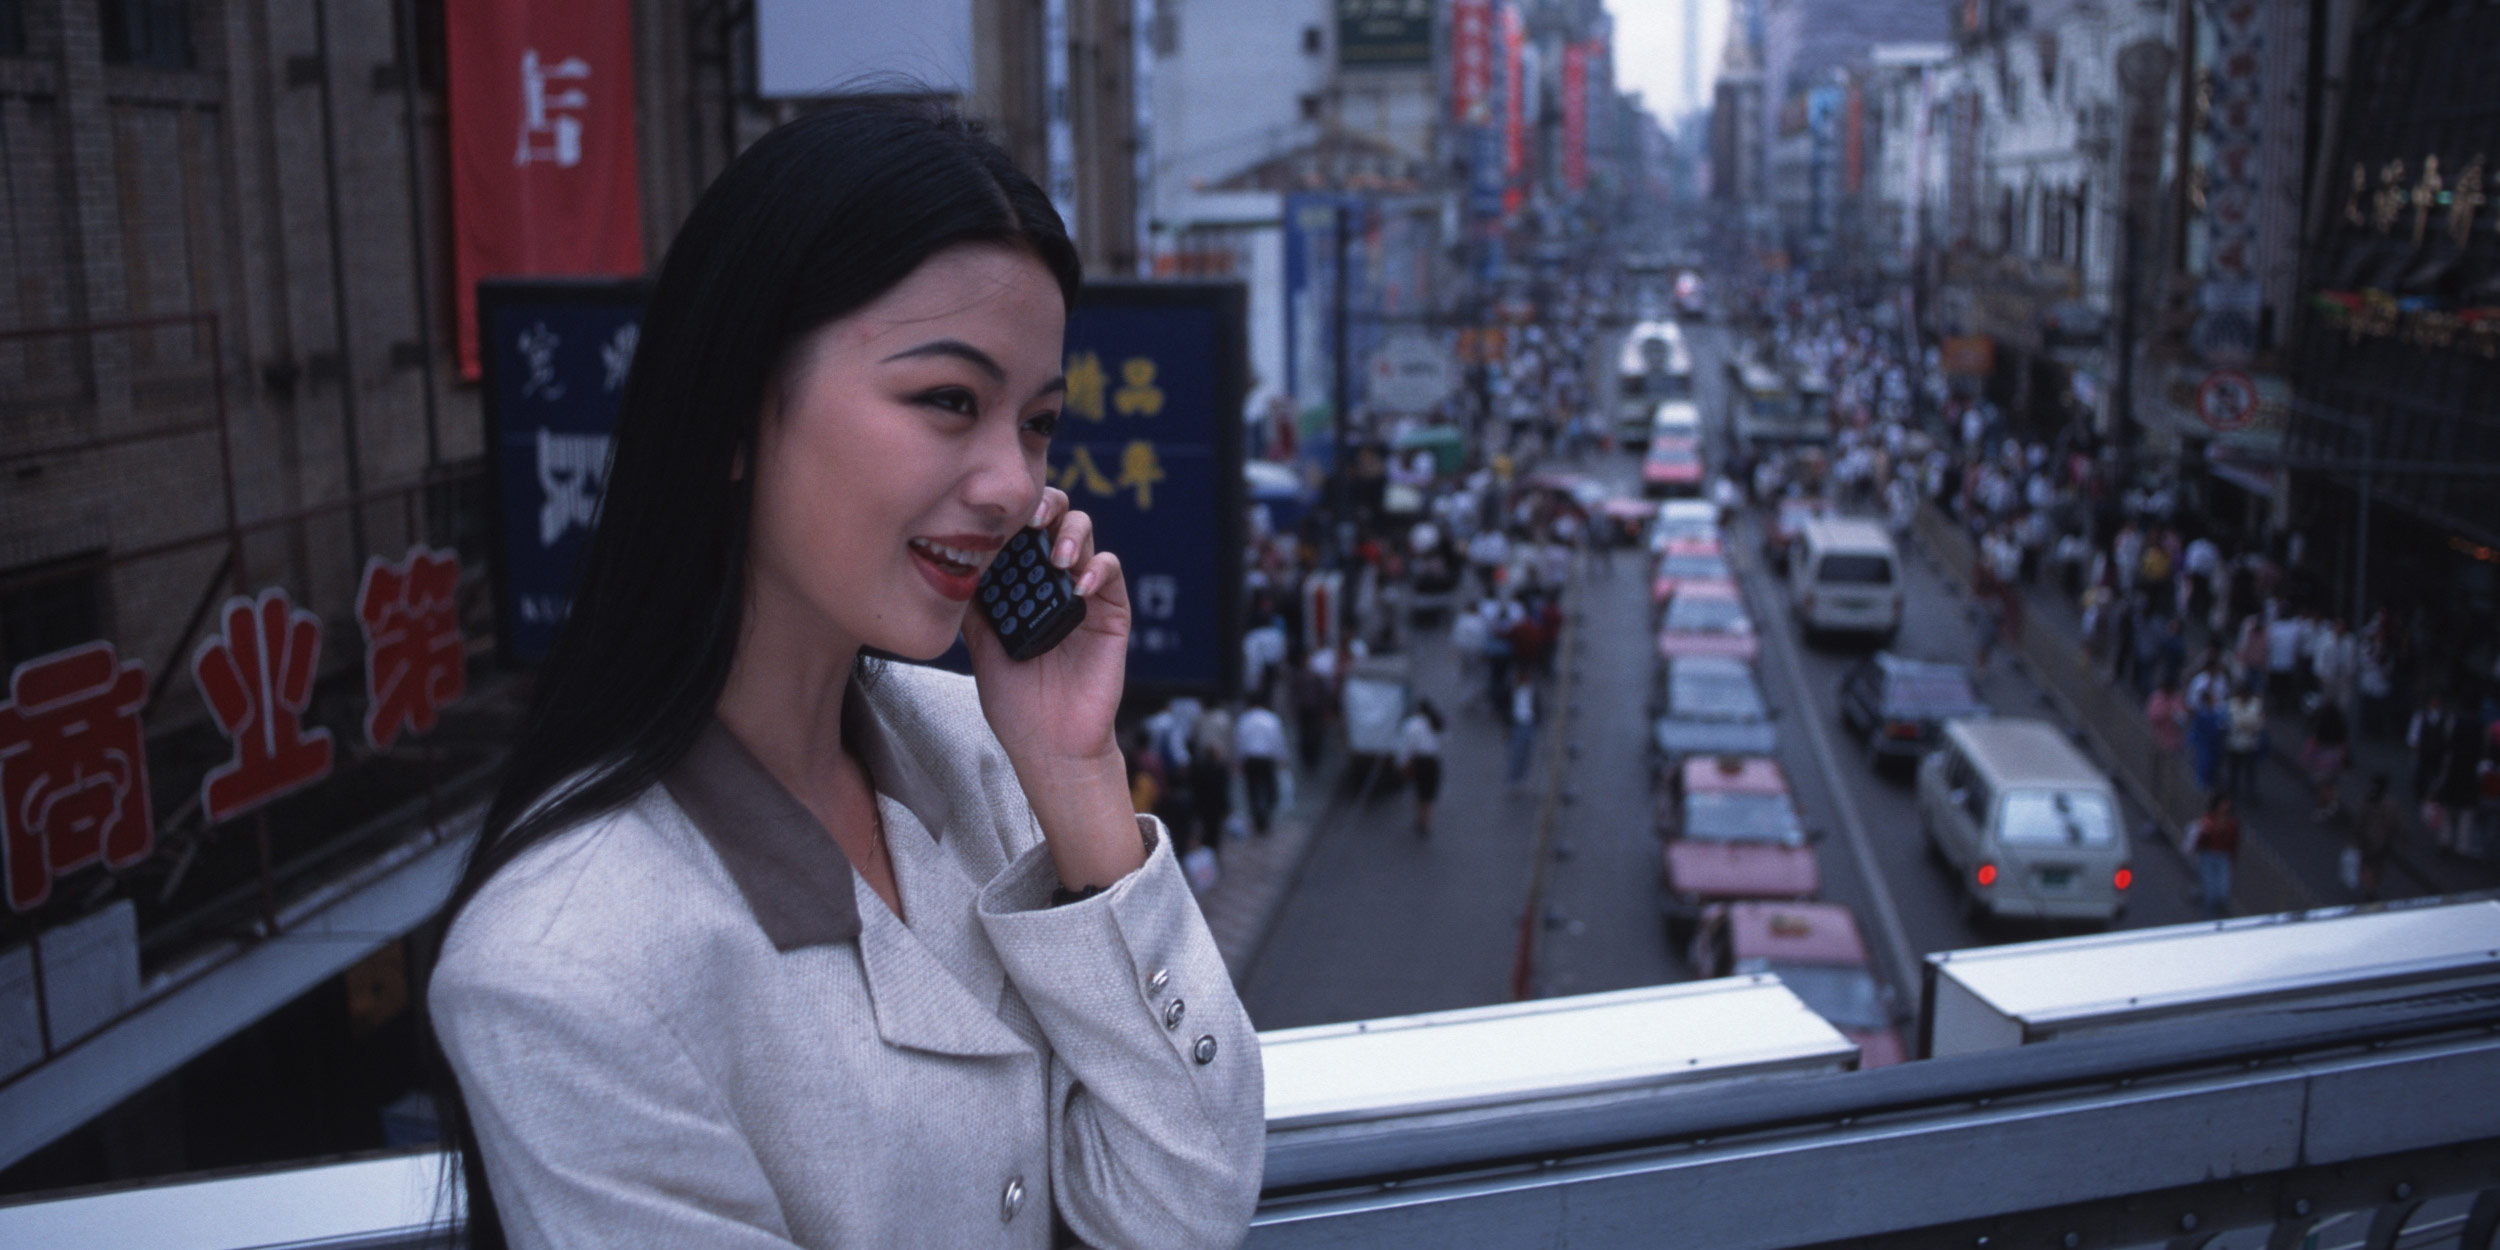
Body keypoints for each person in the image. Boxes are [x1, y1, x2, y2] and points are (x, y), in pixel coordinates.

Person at [424, 102, 1263, 1250]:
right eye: (948, 401)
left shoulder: (980, 749)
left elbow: (1187, 1202)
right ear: (731, 404)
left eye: (1037, 423)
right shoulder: (563, 965)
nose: (1015, 485)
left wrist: (1076, 773)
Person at [1234, 696, 1287, 835]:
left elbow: (1240, 741)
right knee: (1269, 787)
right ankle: (1265, 814)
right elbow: (1277, 739)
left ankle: (1258, 815)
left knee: (1252, 788)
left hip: (1251, 758)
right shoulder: (1271, 719)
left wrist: (1239, 759)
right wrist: (1281, 756)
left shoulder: (1244, 719)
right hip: (1266, 758)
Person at [2186, 794, 2242, 918]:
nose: (2225, 807)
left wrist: (2233, 858)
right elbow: (2200, 840)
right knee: (2210, 891)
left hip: (2223, 857)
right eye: (2223, 804)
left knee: (2223, 891)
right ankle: (2209, 917)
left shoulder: (2232, 824)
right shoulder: (2208, 820)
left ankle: (2214, 911)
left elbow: (2234, 843)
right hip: (2208, 856)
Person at [1397, 699, 1446, 837]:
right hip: (1433, 762)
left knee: (1420, 791)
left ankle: (1421, 819)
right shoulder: (1436, 722)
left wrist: (1403, 762)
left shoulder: (1412, 725)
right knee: (1429, 794)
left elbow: (1407, 745)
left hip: (1419, 762)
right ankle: (1426, 821)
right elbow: (1444, 740)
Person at [2351, 774, 2402, 901]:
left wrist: (2355, 837)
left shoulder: (2366, 801)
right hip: (2383, 841)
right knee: (2377, 865)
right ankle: (2372, 886)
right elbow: (2394, 823)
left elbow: (2359, 821)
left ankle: (2370, 888)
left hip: (2367, 840)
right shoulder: (2390, 803)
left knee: (2368, 864)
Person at [2224, 683, 2267, 804]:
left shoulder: (2256, 705)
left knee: (2250, 771)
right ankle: (2232, 793)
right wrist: (2247, 723)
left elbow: (2258, 723)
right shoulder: (2232, 704)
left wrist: (2245, 723)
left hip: (2250, 744)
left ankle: (2250, 794)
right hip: (2234, 743)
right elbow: (2233, 722)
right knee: (2234, 770)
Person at [1507, 670, 1541, 787]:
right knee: (1517, 752)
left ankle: (1522, 777)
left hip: (1529, 723)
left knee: (1527, 752)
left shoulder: (1532, 692)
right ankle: (1514, 778)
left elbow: (1538, 707)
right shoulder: (1513, 692)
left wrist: (1537, 720)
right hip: (1518, 724)